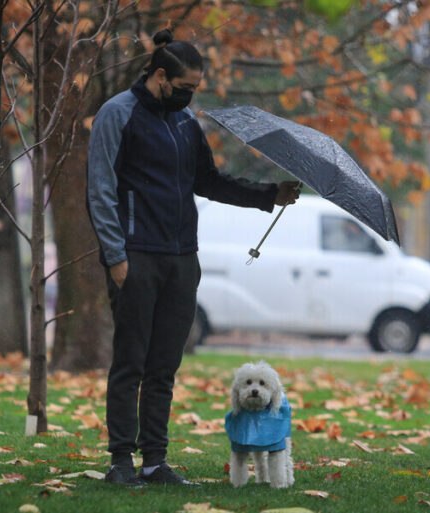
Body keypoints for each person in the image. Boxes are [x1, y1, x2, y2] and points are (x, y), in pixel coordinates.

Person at [86, 28, 300, 487]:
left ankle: (154, 462)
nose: (189, 98)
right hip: (135, 255)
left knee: (164, 366)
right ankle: (121, 462)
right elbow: (100, 190)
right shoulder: (116, 114)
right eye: (184, 89)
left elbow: (211, 181)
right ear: (160, 77)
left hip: (183, 260)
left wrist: (270, 194)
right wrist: (115, 255)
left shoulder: (186, 125)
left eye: (195, 91)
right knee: (130, 363)